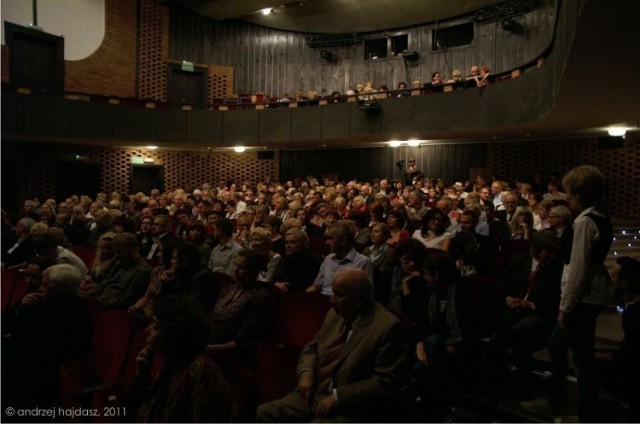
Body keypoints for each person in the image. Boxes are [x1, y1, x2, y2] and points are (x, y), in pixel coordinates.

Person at [256, 268, 408, 422]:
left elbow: (386, 382)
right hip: (312, 394)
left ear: (360, 299)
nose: (331, 300)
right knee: (259, 415)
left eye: (339, 295)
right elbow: (312, 347)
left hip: (347, 407)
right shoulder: (336, 313)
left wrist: (338, 397)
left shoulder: (388, 327)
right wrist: (306, 372)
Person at [554, 165, 614, 422]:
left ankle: (586, 413)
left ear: (579, 194)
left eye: (570, 193)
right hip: (589, 295)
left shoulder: (585, 223)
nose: (567, 198)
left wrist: (565, 308)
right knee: (566, 348)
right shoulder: (599, 217)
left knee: (582, 358)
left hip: (584, 297)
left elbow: (577, 270)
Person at [132, 296, 238, 423]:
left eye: (155, 327)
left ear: (174, 335)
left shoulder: (200, 371)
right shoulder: (172, 364)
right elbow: (141, 412)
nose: (146, 330)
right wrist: (142, 376)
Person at [2, 264, 92, 412]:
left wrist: (25, 310)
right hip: (33, 356)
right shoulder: (46, 300)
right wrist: (21, 308)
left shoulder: (72, 311)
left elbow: (36, 339)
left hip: (46, 368)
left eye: (44, 285)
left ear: (58, 287)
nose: (39, 288)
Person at [498, 231, 563, 393]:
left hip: (539, 312)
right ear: (536, 250)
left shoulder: (558, 267)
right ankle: (498, 374)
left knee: (520, 331)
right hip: (514, 307)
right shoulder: (519, 260)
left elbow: (557, 299)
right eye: (549, 251)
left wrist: (532, 304)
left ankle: (522, 380)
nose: (552, 256)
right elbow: (502, 283)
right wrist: (508, 299)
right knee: (498, 324)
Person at [414, 254, 477, 421]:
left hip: (459, 345)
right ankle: (439, 409)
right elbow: (423, 322)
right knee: (421, 364)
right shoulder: (430, 292)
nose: (424, 277)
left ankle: (434, 408)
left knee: (427, 357)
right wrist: (419, 345)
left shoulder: (461, 294)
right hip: (433, 344)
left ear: (437, 275)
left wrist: (453, 346)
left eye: (426, 273)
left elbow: (470, 329)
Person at [206, 249, 274, 356]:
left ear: (254, 271)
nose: (235, 270)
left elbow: (246, 338)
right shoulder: (229, 289)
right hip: (207, 338)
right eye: (235, 265)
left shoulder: (259, 297)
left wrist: (213, 348)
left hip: (226, 350)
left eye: (242, 268)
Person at [80, 232, 151, 309]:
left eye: (118, 251)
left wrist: (96, 302)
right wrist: (87, 294)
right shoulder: (119, 262)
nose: (116, 255)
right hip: (101, 299)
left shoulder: (142, 271)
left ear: (129, 248)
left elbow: (126, 299)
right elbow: (104, 285)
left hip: (111, 306)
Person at [308, 221, 373, 296]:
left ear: (343, 240)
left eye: (330, 238)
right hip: (323, 302)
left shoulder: (363, 262)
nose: (327, 242)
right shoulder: (328, 259)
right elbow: (317, 285)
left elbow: (365, 295)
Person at [272, 228, 321, 293]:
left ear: (303, 244)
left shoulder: (309, 259)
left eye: (293, 242)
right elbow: (276, 276)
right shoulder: (288, 257)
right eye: (286, 243)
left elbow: (299, 284)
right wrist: (276, 284)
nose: (288, 246)